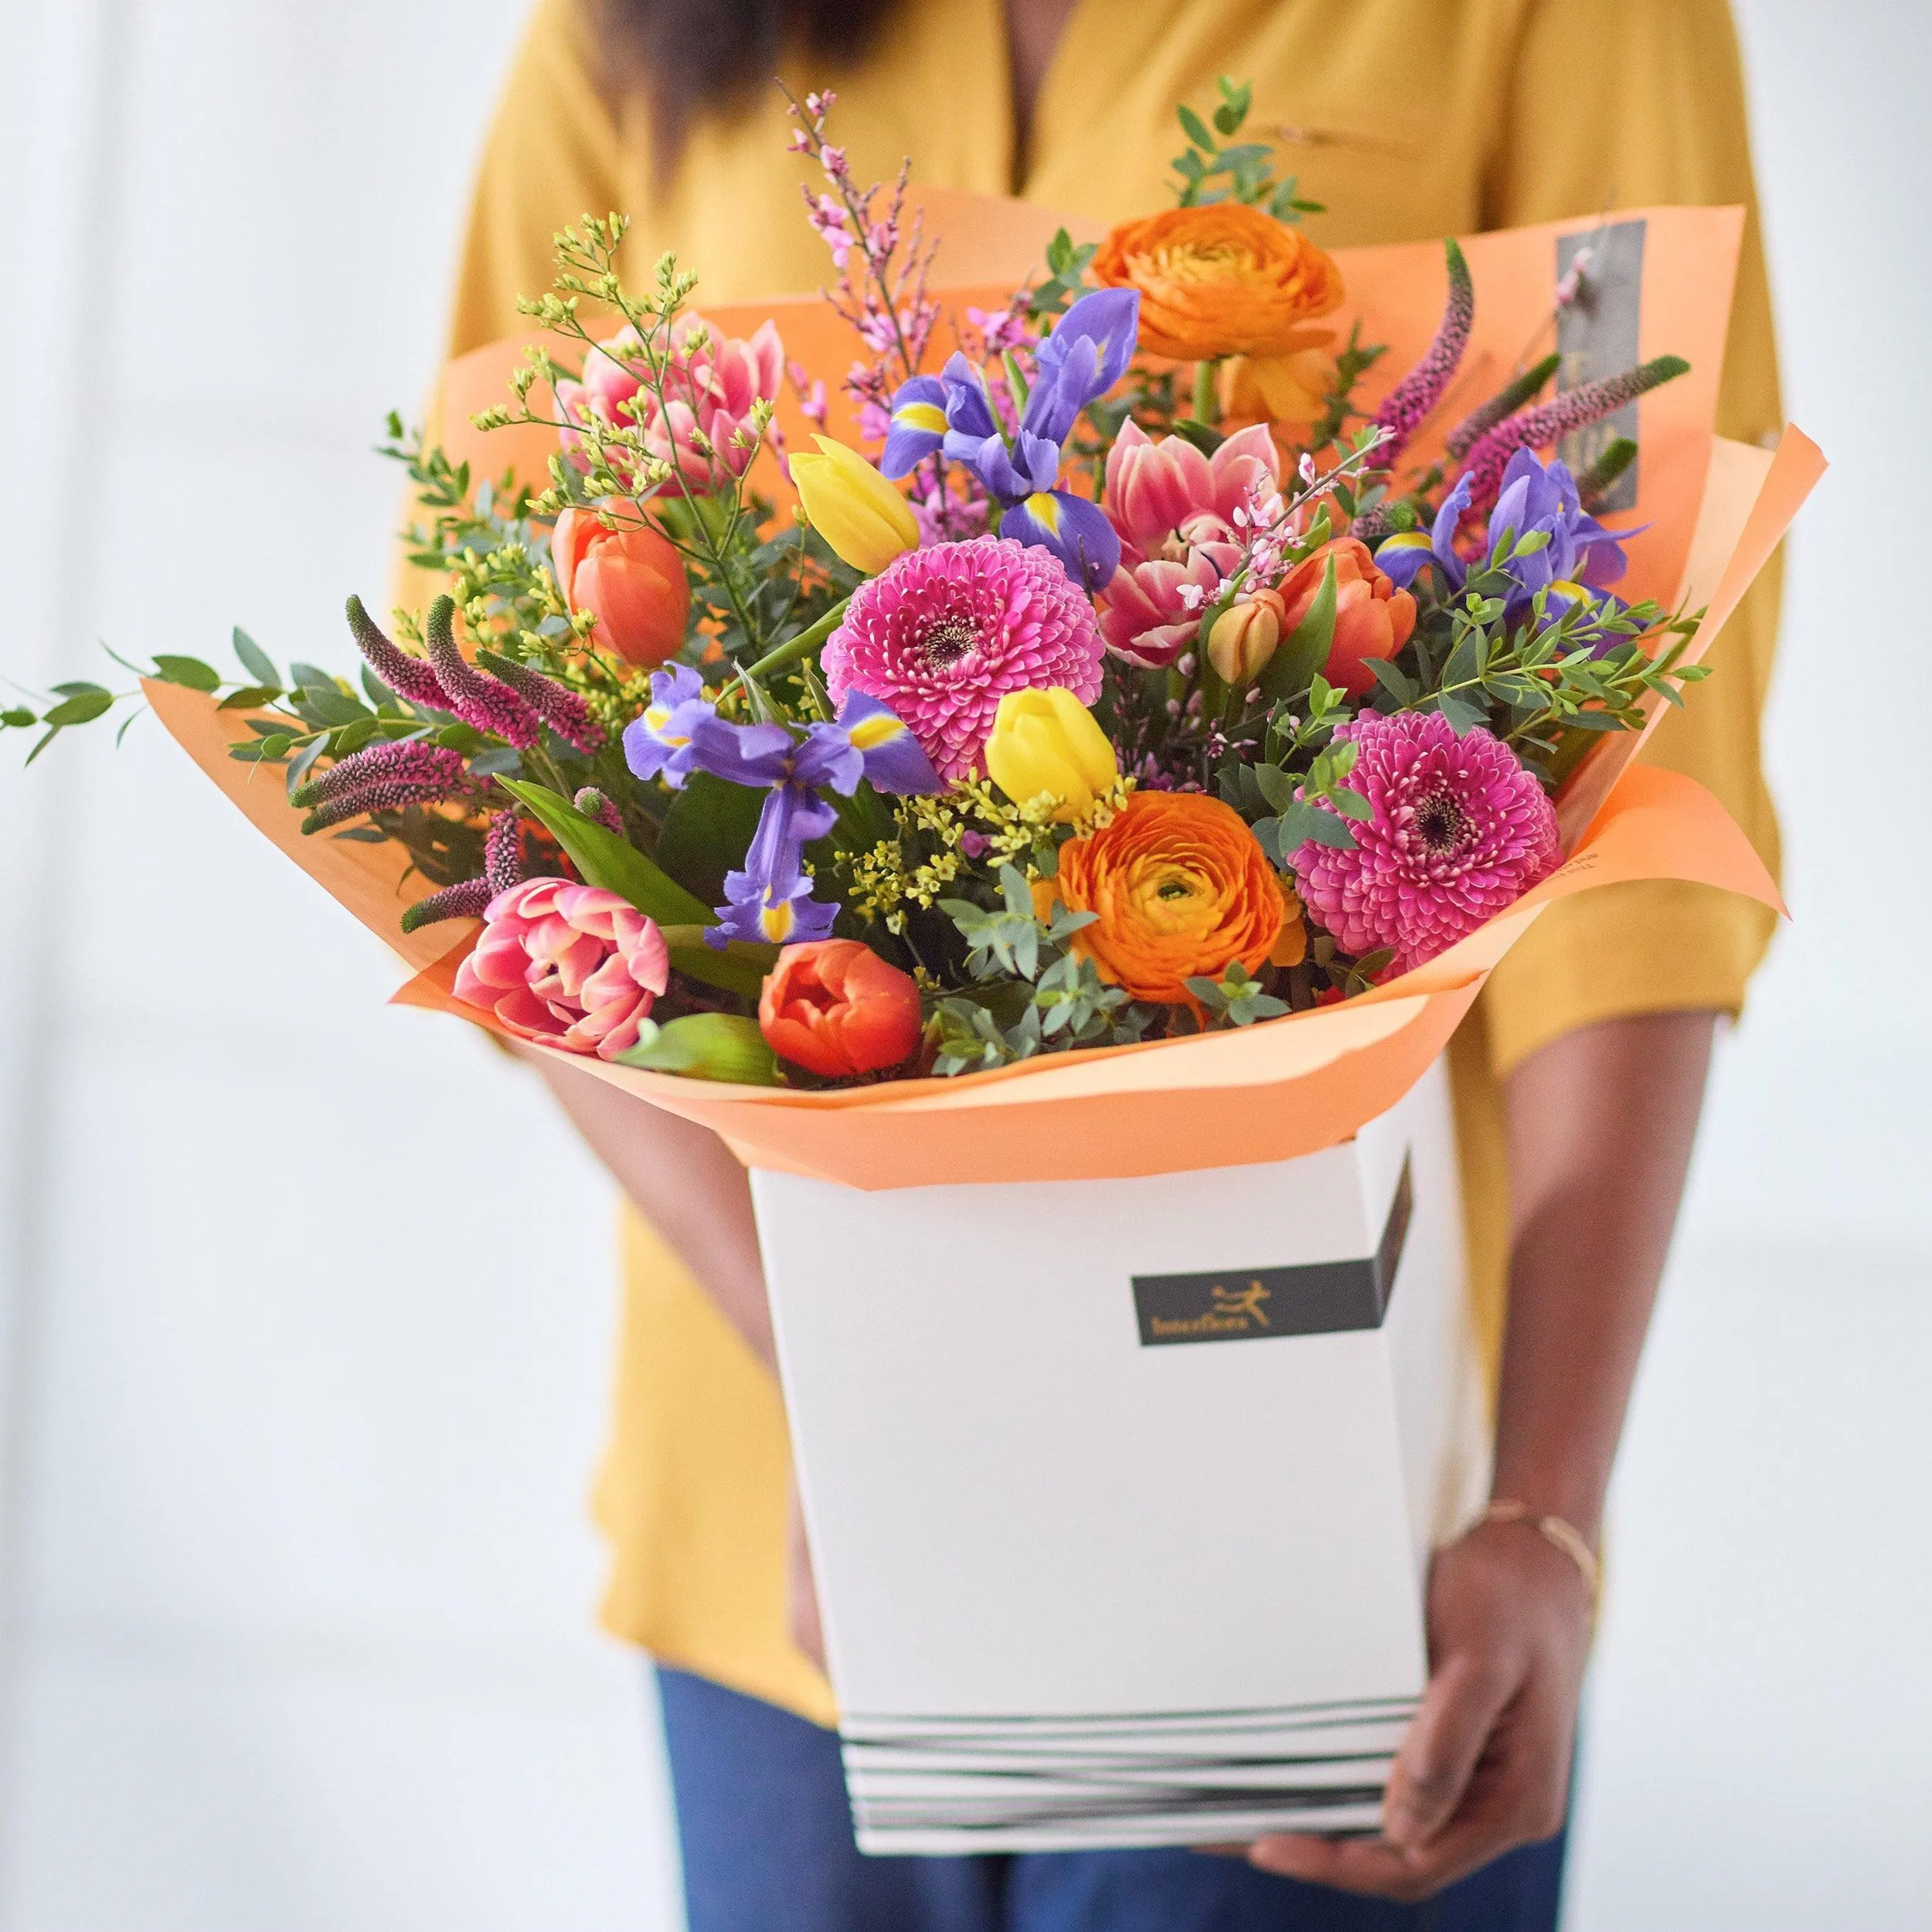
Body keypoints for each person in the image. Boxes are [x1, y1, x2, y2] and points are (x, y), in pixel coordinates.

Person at [440, 2, 1783, 1924]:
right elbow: (495, 795)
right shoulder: (620, 32)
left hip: (1315, 1524)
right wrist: (886, 1398)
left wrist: (1542, 1516)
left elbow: (1643, 776)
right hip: (790, 1526)